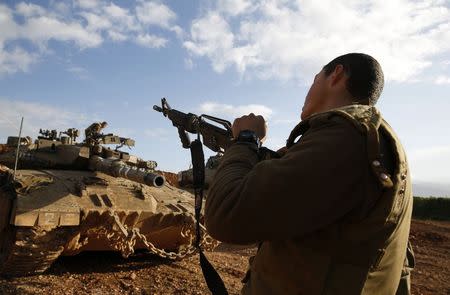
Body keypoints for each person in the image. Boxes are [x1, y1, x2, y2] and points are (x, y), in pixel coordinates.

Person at [205, 53, 414, 295]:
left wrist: (246, 141)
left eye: (315, 80)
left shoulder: (346, 139)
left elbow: (227, 215)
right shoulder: (373, 140)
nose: (308, 91)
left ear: (336, 75)